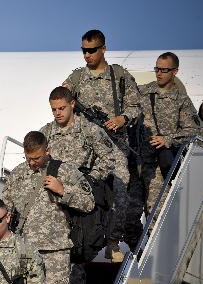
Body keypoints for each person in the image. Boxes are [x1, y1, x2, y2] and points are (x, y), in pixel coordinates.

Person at [2, 131, 94, 284]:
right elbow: (6, 207)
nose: (32, 163)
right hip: (25, 251)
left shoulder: (63, 171)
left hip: (56, 252)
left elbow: (88, 202)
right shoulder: (18, 174)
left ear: (47, 150)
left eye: (37, 158)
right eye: (28, 158)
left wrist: (63, 191)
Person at [39, 86, 116, 284]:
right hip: (51, 203)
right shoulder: (46, 133)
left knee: (76, 255)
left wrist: (89, 181)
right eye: (53, 110)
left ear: (72, 104)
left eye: (61, 108)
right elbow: (35, 161)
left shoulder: (89, 130)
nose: (57, 113)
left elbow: (109, 159)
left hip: (78, 201)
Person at [63, 29, 142, 261]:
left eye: (91, 50)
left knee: (120, 193)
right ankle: (79, 243)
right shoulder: (77, 78)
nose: (87, 55)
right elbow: (61, 99)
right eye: (83, 51)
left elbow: (136, 106)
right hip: (86, 148)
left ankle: (113, 242)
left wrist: (122, 119)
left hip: (115, 146)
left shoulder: (118, 75)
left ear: (103, 49)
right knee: (81, 191)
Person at [138, 52, 202, 215]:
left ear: (175, 71)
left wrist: (168, 139)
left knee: (155, 212)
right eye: (156, 69)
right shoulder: (143, 92)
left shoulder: (181, 100)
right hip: (137, 162)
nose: (159, 73)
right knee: (128, 219)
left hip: (159, 166)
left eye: (164, 70)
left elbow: (194, 130)